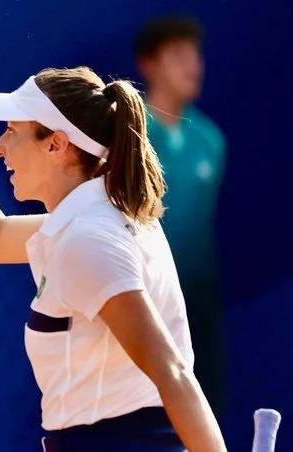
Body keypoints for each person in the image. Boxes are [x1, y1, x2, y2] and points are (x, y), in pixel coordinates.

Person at [0, 33, 225, 451]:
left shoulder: (89, 238)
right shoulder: (88, 222)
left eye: (12, 131)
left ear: (57, 145)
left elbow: (171, 370)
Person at [135, 16, 226, 415]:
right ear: (148, 64)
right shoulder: (128, 133)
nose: (193, 65)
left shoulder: (211, 140)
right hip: (139, 296)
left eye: (195, 54)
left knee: (204, 410)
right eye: (178, 54)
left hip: (198, 300)